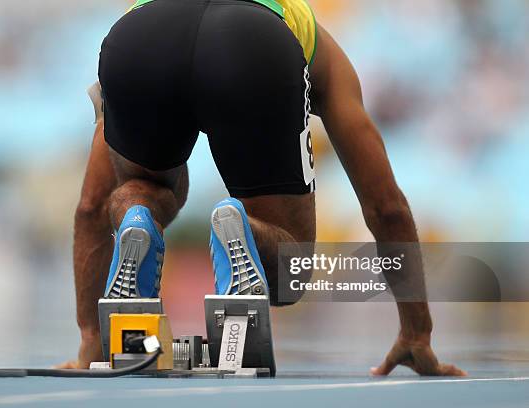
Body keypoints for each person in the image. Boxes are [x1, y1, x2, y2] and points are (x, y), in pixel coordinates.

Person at [59, 0, 466, 377]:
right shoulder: (312, 39)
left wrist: (90, 341)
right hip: (253, 43)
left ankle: (138, 220)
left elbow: (91, 205)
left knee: (141, 187)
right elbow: (385, 205)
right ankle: (241, 230)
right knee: (294, 266)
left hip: (140, 40)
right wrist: (417, 331)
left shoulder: (141, 10)